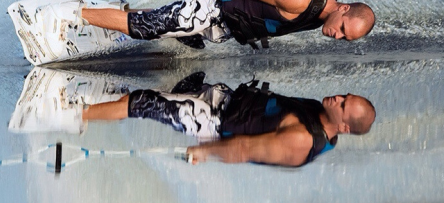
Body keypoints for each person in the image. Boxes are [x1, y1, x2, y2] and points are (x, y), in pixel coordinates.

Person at [82, 72, 376, 167]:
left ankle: (74, 116)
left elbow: (244, 150)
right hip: (224, 99)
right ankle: (93, 107)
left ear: (345, 127)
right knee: (144, 97)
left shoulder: (302, 140)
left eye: (344, 104)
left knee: (140, 103)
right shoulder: (319, 112)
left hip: (210, 121)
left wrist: (204, 150)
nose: (337, 98)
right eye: (344, 95)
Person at [75, 0, 375, 49]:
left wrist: (260, 31)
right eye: (343, 30)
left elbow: (274, 13)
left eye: (344, 39)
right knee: (150, 28)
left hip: (226, 25)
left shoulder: (324, 12)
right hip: (216, 8)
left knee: (176, 33)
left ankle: (120, 13)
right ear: (344, 8)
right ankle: (78, 15)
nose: (337, 36)